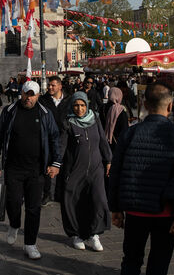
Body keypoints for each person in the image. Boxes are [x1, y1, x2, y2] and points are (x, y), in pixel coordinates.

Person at [109, 83, 174, 275]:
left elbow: (116, 171)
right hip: (166, 211)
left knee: (130, 260)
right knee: (159, 262)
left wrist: (115, 208)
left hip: (135, 210)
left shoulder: (130, 133)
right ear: (171, 106)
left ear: (144, 104)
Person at [0, 81, 62, 260]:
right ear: (20, 93)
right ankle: (14, 223)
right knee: (13, 202)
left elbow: (54, 138)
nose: (28, 98)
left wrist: (55, 163)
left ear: (38, 95)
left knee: (34, 208)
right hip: (14, 167)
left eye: (32, 95)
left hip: (36, 169)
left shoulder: (45, 113)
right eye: (25, 94)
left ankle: (30, 243)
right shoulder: (10, 111)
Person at [57, 91, 112, 251]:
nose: (79, 109)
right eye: (76, 105)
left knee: (99, 199)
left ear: (87, 105)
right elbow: (62, 146)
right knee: (72, 201)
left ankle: (95, 233)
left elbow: (102, 139)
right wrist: (56, 164)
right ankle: (77, 234)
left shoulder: (94, 119)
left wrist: (108, 159)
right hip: (75, 169)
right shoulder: (68, 123)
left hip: (96, 168)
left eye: (82, 105)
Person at [38, 75, 72, 205]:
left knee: (64, 165)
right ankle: (47, 193)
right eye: (49, 85)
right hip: (48, 137)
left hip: (65, 137)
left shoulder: (68, 100)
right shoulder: (43, 100)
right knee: (48, 163)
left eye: (53, 85)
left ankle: (61, 192)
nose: (50, 87)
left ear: (59, 86)